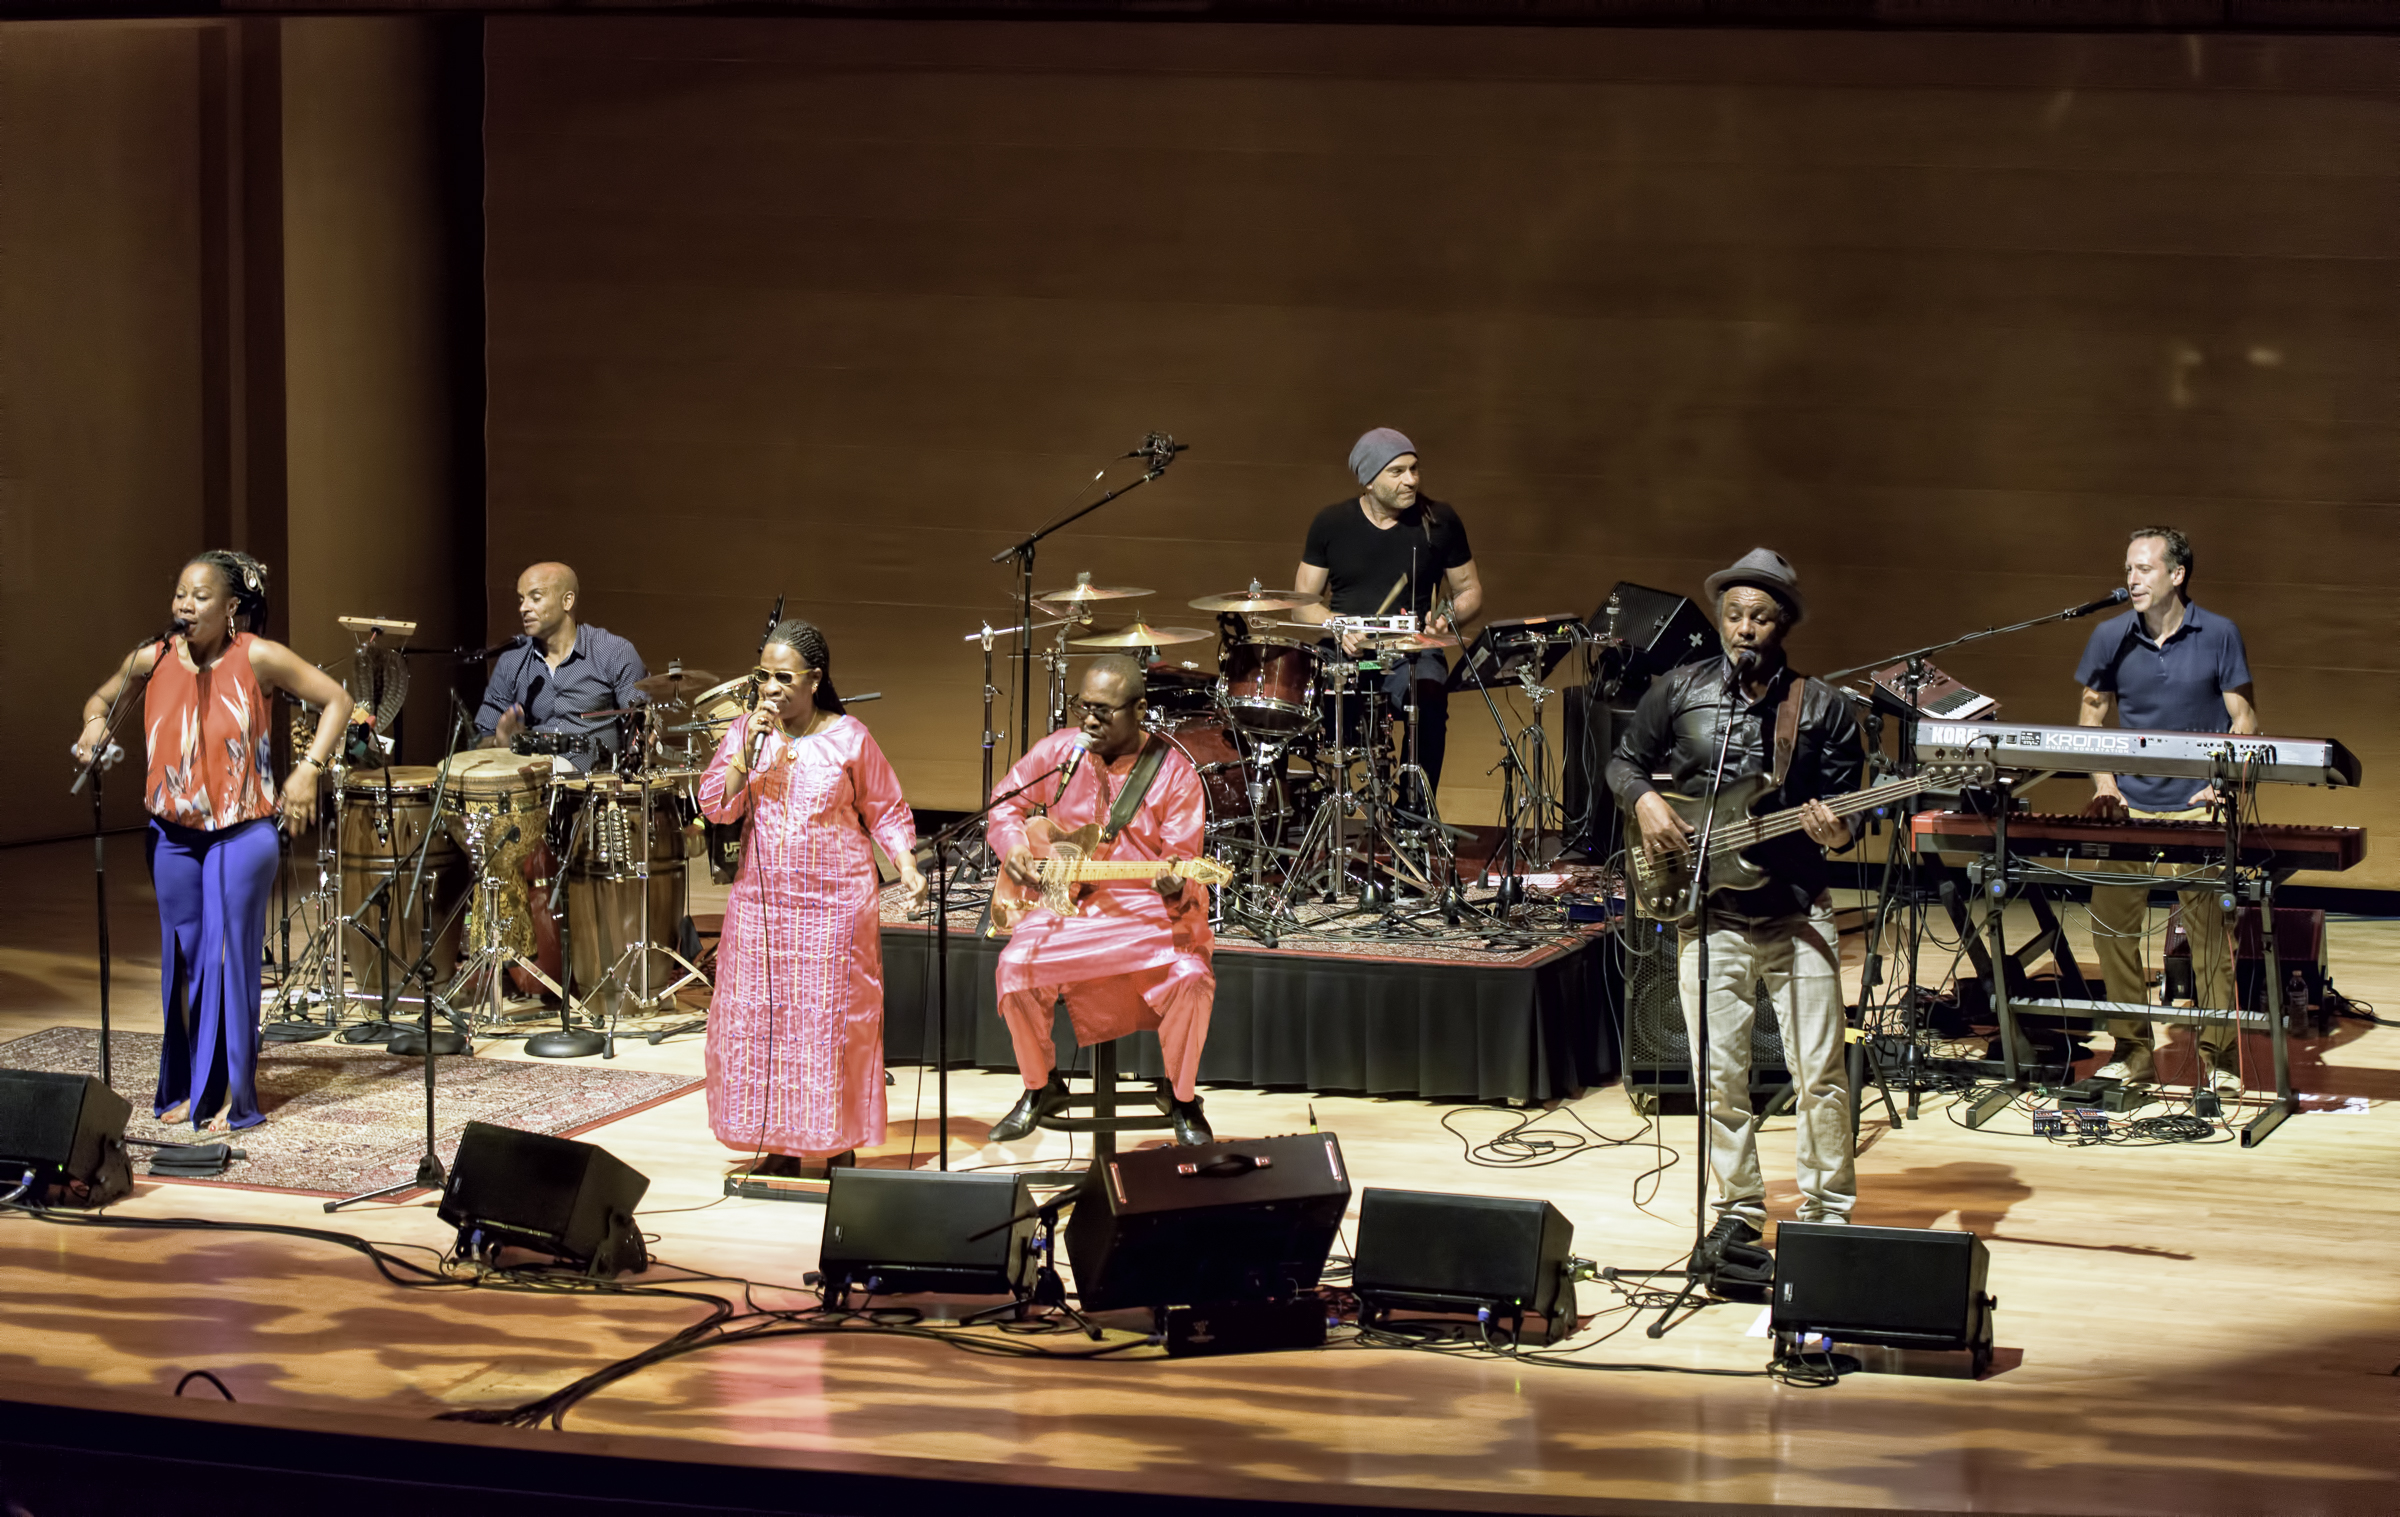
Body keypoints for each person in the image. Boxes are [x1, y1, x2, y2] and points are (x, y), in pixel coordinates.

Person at [1605, 548, 1865, 1251]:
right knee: (1718, 1075)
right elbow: (1622, 760)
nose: (1745, 627)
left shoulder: (1824, 708)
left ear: (1781, 624)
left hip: (1798, 908)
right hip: (1709, 910)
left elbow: (1850, 818)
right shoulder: (1681, 688)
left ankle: (1827, 1211)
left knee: (1821, 1075)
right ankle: (1740, 1207)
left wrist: (1838, 831)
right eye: (1734, 615)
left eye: (1760, 616)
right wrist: (1649, 803)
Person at [72, 551, 354, 1132]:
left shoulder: (257, 656)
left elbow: (338, 701)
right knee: (183, 962)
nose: (185, 605)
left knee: (226, 959)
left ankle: (229, 1097)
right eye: (180, 594)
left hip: (242, 831)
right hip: (172, 835)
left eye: (200, 596)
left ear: (231, 608)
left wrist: (308, 769)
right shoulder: (150, 659)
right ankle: (187, 1088)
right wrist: (94, 726)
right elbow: (100, 702)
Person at [695, 620, 926, 1177]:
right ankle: (777, 1141)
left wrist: (908, 865)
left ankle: (837, 1140)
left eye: (783, 677)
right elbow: (716, 808)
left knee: (830, 1024)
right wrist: (744, 752)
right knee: (763, 1022)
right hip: (763, 906)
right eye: (762, 676)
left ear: (815, 679)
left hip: (835, 908)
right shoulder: (748, 735)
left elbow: (886, 810)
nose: (769, 689)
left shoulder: (850, 737)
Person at [987, 656, 1217, 1147]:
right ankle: (1041, 1084)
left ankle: (1181, 1097)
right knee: (1014, 968)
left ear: (1139, 709)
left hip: (1146, 915)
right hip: (1067, 905)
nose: (1089, 720)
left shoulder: (1175, 775)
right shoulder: (1060, 753)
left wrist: (1174, 882)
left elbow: (1181, 860)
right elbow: (1005, 803)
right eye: (1084, 707)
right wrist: (1016, 849)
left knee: (1192, 979)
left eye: (1104, 711)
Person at [2077, 527, 2255, 1096]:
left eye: (2145, 568)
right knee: (2110, 930)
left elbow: (2245, 721)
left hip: (2197, 810)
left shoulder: (2220, 634)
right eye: (2128, 568)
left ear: (2176, 575)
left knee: (2207, 943)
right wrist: (2106, 786)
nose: (2132, 578)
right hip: (2127, 812)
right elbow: (2090, 721)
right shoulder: (2109, 637)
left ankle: (2220, 1057)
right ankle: (2131, 1052)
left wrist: (2222, 786)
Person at [1291, 428, 1483, 802]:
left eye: (1414, 469)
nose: (1411, 480)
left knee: (1428, 697)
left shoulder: (1439, 520)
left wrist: (1447, 616)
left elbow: (1470, 591)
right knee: (1294, 702)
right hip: (1348, 654)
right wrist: (1337, 624)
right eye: (1397, 471)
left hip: (1411, 652)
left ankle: (1414, 811)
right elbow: (1302, 603)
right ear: (1368, 479)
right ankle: (1316, 808)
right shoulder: (1331, 523)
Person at [475, 561, 647, 772]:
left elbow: (642, 723)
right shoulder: (512, 661)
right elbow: (480, 739)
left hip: (597, 787)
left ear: (567, 601)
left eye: (535, 598)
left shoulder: (614, 652)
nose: (523, 608)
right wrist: (498, 743)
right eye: (521, 599)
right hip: (531, 784)